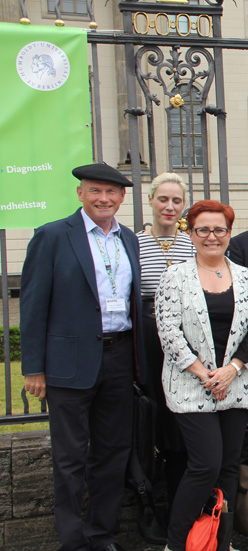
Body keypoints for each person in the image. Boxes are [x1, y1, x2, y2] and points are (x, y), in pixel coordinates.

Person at [21, 163, 145, 551]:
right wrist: (33, 368)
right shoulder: (53, 236)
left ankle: (101, 533)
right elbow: (33, 304)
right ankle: (73, 540)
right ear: (80, 194)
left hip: (119, 358)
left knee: (112, 452)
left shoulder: (129, 239)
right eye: (95, 191)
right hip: (69, 364)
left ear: (122, 198)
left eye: (111, 193)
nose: (103, 199)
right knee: (70, 457)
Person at [155, 200, 248, 551]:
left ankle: (220, 543)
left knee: (228, 466)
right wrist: (206, 375)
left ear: (229, 233)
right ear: (191, 234)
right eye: (203, 229)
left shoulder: (247, 277)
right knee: (205, 464)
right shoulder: (174, 277)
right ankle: (176, 544)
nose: (212, 236)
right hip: (191, 385)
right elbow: (169, 332)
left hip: (236, 384)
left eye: (219, 229)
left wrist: (232, 370)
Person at [138, 172, 195, 515]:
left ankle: (181, 505)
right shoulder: (134, 244)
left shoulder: (192, 243)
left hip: (188, 340)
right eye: (163, 199)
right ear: (150, 201)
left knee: (180, 424)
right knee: (150, 420)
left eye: (176, 200)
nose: (169, 206)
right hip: (148, 341)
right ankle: (146, 504)